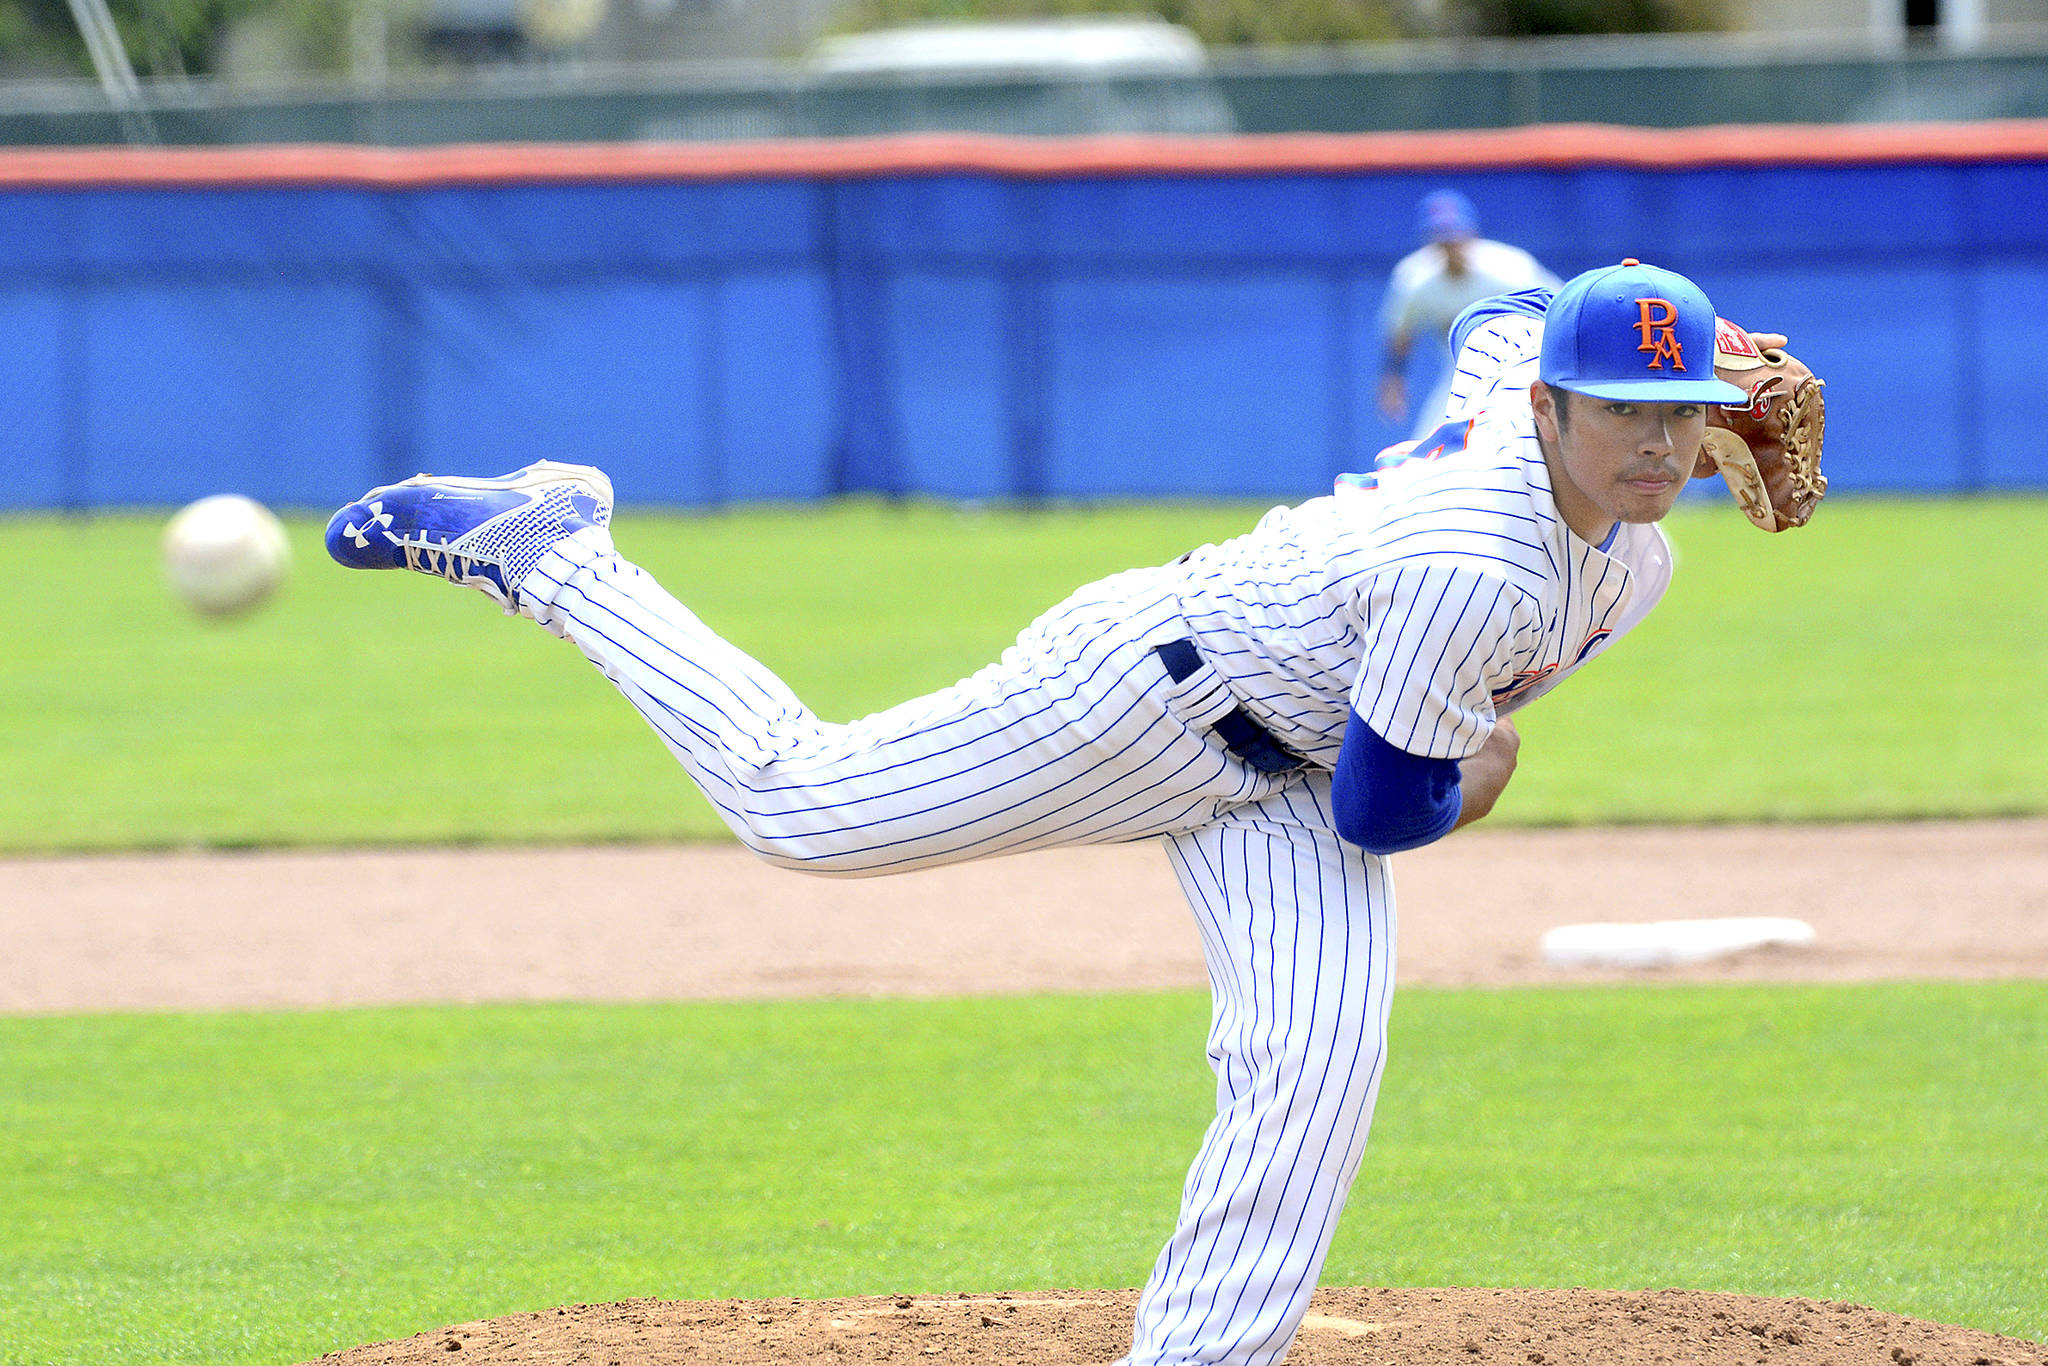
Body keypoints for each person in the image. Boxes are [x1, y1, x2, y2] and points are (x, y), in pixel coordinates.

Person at [326, 258, 1751, 1366]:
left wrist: (1693, 343)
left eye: (1680, 406)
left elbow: (1503, 306)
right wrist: (1475, 782)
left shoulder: (1589, 469)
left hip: (1290, 761)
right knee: (800, 804)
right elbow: (1388, 810)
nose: (1651, 437)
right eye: (1620, 405)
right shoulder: (1482, 563)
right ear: (1551, 411)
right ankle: (557, 547)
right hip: (1150, 689)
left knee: (1315, 1059)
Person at [1377, 189, 1560, 438]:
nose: (1451, 247)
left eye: (1455, 237)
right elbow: (1402, 332)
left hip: (1519, 367)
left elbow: (1560, 309)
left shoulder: (1509, 269)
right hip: (1460, 372)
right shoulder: (1416, 278)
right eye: (1442, 239)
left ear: (1472, 233)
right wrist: (1393, 380)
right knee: (1429, 442)